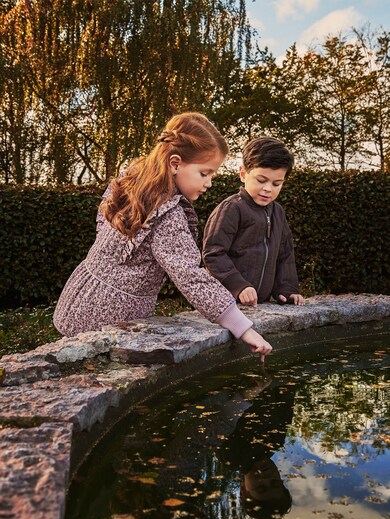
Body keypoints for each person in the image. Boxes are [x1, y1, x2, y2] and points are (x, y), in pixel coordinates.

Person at [53, 112, 272, 360]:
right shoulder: (168, 214)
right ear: (175, 163)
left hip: (80, 295)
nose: (209, 183)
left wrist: (110, 258)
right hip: (113, 317)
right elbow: (191, 277)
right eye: (205, 173)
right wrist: (244, 328)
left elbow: (103, 218)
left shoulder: (132, 178)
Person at [202, 136, 305, 307]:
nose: (267, 189)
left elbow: (285, 255)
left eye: (276, 183)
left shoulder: (278, 212)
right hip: (225, 305)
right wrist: (239, 287)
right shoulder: (231, 209)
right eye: (261, 180)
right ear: (243, 173)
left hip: (259, 304)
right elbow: (213, 254)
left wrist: (287, 290)